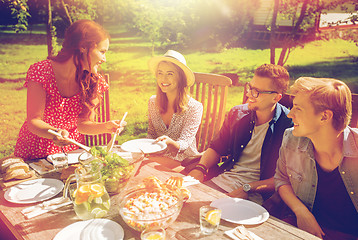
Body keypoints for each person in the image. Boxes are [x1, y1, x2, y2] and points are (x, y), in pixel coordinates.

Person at [13, 20, 125, 160]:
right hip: (33, 153)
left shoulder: (93, 81)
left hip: (69, 153)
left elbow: (82, 124)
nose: (104, 59)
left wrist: (106, 127)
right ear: (83, 47)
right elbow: (34, 121)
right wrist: (56, 133)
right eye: (102, 52)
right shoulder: (41, 72)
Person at [188, 64, 293, 204]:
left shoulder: (289, 126)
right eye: (250, 87)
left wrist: (248, 188)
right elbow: (217, 147)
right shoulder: (237, 113)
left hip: (259, 196)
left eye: (257, 92)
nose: (249, 94)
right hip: (223, 181)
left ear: (276, 97)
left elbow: (287, 178)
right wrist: (200, 169)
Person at [274, 77, 358, 240]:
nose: (290, 114)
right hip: (299, 232)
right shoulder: (291, 138)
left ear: (324, 117)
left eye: (297, 108)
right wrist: (301, 211)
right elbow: (281, 179)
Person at [147, 50, 203, 162]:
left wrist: (170, 143)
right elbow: (151, 134)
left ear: (181, 77)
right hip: (157, 158)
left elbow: (185, 143)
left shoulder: (194, 107)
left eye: (170, 74)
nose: (163, 79)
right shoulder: (153, 102)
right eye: (160, 73)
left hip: (185, 162)